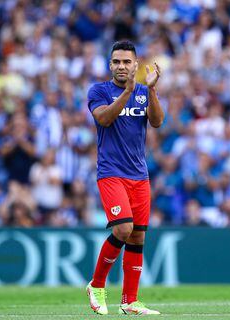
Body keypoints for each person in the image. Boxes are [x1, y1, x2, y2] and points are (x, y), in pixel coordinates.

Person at [85, 40, 164, 315]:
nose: (121, 66)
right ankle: (96, 285)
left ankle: (130, 300)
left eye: (127, 62)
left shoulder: (143, 92)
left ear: (136, 65)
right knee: (122, 229)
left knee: (138, 238)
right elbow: (104, 119)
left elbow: (157, 121)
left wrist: (151, 90)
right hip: (111, 173)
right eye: (116, 62)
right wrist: (126, 93)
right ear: (110, 65)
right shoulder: (99, 91)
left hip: (139, 175)